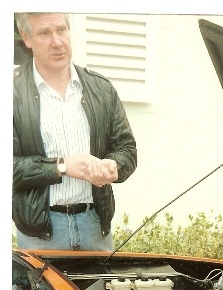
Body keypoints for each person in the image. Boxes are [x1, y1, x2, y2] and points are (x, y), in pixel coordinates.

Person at [13, 12, 137, 251]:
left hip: (95, 226)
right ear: (27, 38)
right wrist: (62, 167)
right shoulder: (12, 92)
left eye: (61, 30)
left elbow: (127, 149)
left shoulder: (101, 88)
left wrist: (113, 166)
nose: (57, 41)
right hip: (40, 235)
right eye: (44, 33)